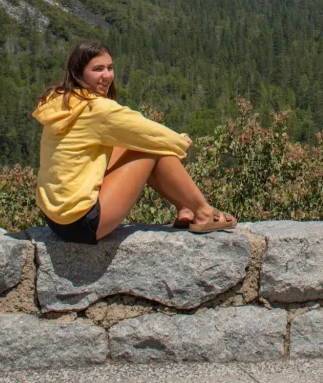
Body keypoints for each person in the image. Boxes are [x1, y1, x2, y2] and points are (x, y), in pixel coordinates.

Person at [33, 41, 236, 244]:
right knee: (152, 148)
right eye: (97, 69)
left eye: (110, 68)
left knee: (132, 143)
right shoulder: (96, 109)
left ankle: (185, 208)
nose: (107, 76)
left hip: (55, 219)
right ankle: (203, 211)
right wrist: (181, 142)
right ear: (79, 73)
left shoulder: (63, 100)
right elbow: (155, 136)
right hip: (81, 224)